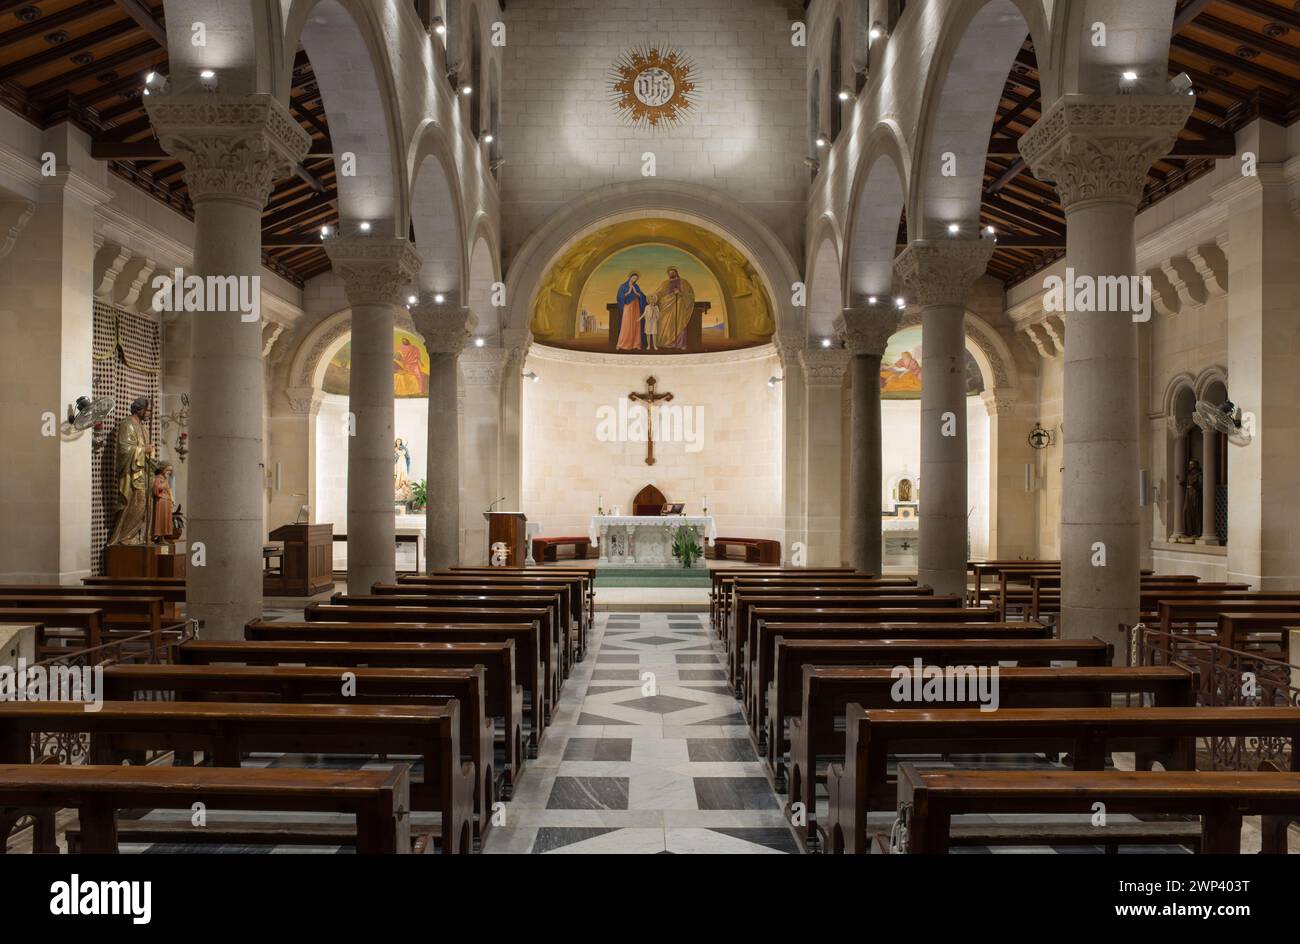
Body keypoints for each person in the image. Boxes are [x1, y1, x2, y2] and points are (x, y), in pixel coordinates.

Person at [106, 396, 158, 546]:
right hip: (132, 474)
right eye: (148, 410)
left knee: (146, 504)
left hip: (144, 473)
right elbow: (124, 449)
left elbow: (148, 453)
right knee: (137, 503)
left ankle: (137, 535)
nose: (149, 414)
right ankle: (124, 537)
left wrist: (151, 455)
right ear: (139, 409)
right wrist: (143, 450)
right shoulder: (127, 424)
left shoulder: (143, 428)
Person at [649, 266, 696, 350]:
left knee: (679, 323)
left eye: (673, 272)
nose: (671, 274)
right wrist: (654, 297)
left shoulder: (684, 282)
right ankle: (667, 342)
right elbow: (658, 293)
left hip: (679, 305)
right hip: (666, 306)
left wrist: (680, 292)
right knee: (663, 322)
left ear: (676, 272)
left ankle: (680, 344)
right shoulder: (664, 283)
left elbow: (690, 294)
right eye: (670, 273)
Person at [616, 272, 647, 351]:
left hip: (636, 306)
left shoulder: (636, 286)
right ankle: (621, 344)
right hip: (627, 307)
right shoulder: (623, 286)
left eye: (636, 279)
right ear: (630, 277)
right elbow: (620, 297)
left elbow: (642, 296)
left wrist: (637, 293)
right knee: (626, 324)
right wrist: (629, 292)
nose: (634, 280)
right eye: (633, 278)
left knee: (635, 324)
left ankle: (636, 344)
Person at [150, 463, 176, 543]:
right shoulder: (158, 478)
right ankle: (159, 537)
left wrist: (171, 499)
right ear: (162, 470)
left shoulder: (165, 479)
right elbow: (156, 489)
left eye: (170, 471)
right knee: (161, 520)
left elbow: (168, 490)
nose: (169, 472)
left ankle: (163, 537)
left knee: (165, 520)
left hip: (166, 502)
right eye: (168, 470)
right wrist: (164, 484)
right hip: (161, 502)